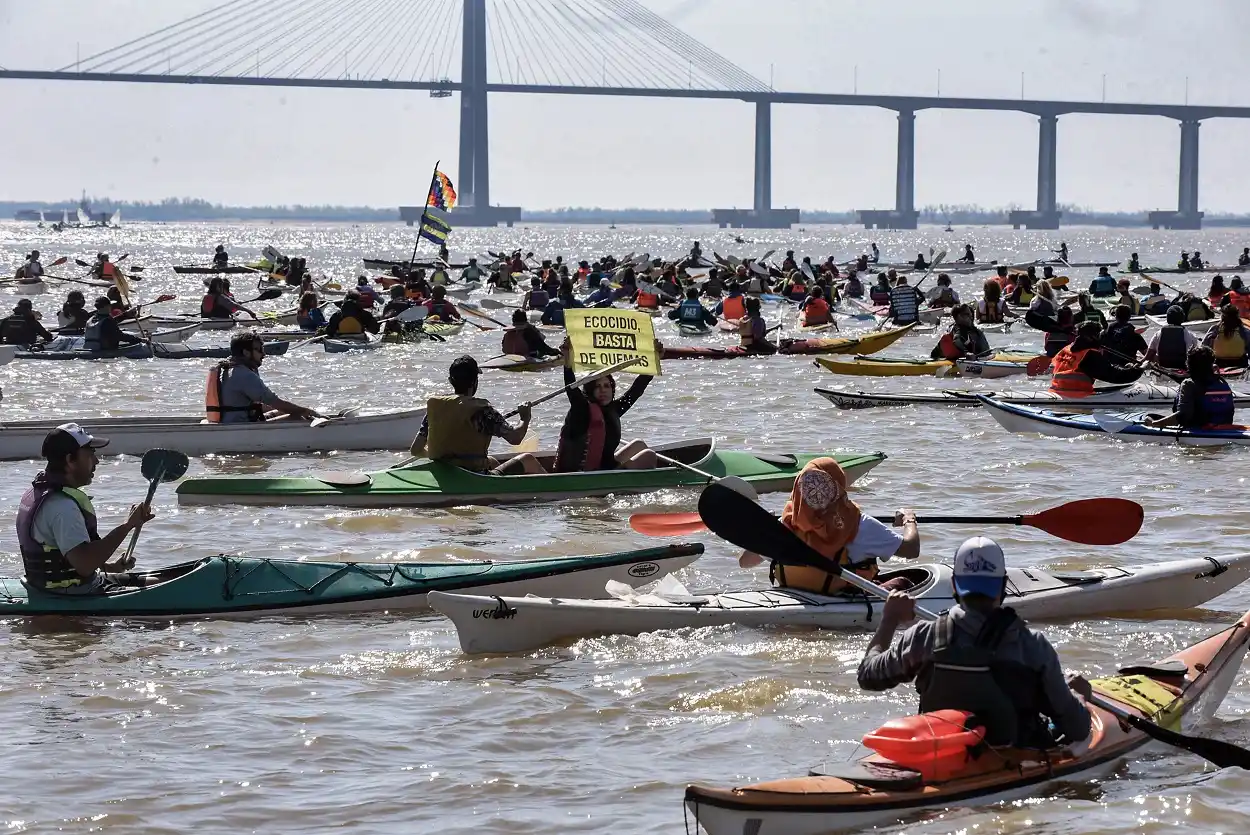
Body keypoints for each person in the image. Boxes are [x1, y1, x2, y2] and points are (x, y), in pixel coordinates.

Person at [856, 537, 1092, 749]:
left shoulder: (924, 636)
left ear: (955, 585)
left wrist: (889, 620)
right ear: (1002, 585)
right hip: (1013, 754)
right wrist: (1078, 695)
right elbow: (1078, 729)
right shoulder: (1031, 645)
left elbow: (868, 676)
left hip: (945, 753)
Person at [738, 458, 920, 595]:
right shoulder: (859, 526)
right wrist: (909, 519)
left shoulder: (784, 526)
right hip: (841, 599)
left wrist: (761, 531)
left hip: (796, 596)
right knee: (904, 582)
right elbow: (911, 549)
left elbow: (745, 562)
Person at [18, 423, 157, 594]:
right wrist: (127, 526)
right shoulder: (61, 507)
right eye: (90, 454)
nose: (97, 461)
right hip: (71, 594)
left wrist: (110, 567)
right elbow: (84, 565)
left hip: (55, 587)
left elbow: (68, 555)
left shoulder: (35, 492)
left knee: (159, 580)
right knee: (165, 591)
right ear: (70, 460)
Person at [408, 356, 541, 474]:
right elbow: (515, 438)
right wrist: (524, 418)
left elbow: (416, 450)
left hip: (444, 473)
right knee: (528, 459)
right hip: (474, 476)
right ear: (474, 382)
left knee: (493, 462)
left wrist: (444, 459)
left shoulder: (436, 408)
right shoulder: (482, 411)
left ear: (450, 381)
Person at [545, 340, 658, 473]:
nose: (603, 390)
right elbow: (572, 390)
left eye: (606, 386)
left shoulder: (614, 409)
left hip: (605, 466)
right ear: (590, 390)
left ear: (612, 389)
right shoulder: (582, 410)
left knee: (639, 444)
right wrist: (568, 362)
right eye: (597, 387)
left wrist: (654, 358)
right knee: (649, 456)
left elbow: (635, 391)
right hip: (584, 474)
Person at [205, 332, 324, 424]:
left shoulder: (227, 369)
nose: (264, 354)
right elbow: (275, 402)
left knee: (286, 411)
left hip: (229, 422)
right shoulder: (244, 375)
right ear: (246, 353)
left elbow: (264, 404)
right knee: (298, 416)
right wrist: (307, 411)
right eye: (259, 350)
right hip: (240, 426)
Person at [1148, 346, 1235, 429]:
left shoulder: (1188, 384)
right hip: (1225, 428)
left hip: (1199, 430)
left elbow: (1183, 416)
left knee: (1148, 417)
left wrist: (1155, 424)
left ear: (1189, 364)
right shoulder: (1222, 382)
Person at [1049, 320, 1143, 396]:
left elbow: (1106, 367)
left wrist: (1127, 368)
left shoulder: (1067, 349)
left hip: (1058, 390)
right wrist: (1139, 369)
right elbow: (1114, 375)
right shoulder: (1089, 355)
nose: (1101, 338)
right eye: (1099, 335)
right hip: (1077, 396)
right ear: (1091, 337)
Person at [1145, 306, 1199, 370]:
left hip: (1163, 371)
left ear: (1167, 319)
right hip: (1182, 371)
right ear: (1183, 319)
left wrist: (1138, 363)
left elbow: (1148, 357)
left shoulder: (1157, 334)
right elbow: (1195, 359)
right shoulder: (1191, 336)